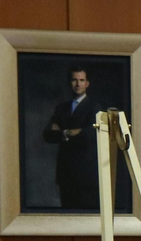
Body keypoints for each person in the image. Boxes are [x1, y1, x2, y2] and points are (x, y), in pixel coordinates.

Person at [41, 65, 100, 209]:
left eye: (81, 80)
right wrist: (68, 133)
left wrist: (62, 132)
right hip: (65, 172)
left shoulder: (95, 107)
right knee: (67, 214)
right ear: (70, 82)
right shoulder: (62, 108)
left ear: (87, 83)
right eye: (74, 80)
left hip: (86, 173)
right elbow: (48, 135)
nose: (78, 84)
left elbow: (90, 135)